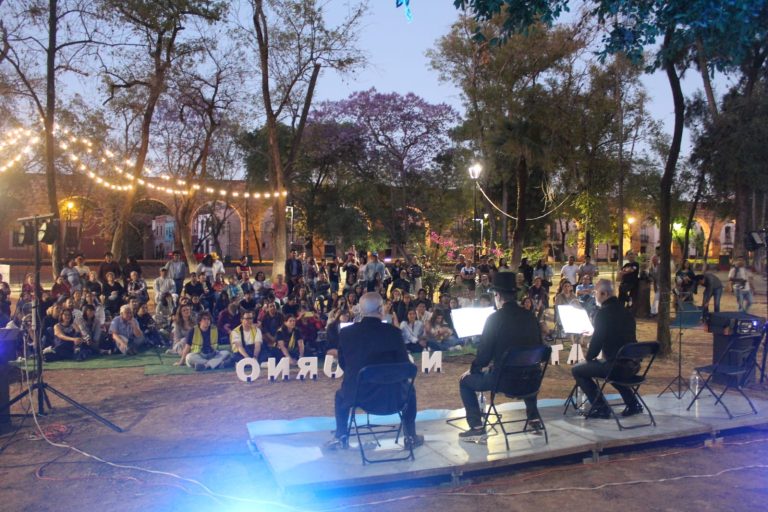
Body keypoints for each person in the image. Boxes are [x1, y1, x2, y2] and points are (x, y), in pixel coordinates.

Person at [325, 292, 422, 451]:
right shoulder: (394, 332)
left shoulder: (346, 333)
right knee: (411, 391)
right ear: (380, 309)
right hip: (393, 395)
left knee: (339, 397)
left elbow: (344, 364)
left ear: (360, 311)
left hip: (358, 395)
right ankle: (410, 436)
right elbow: (404, 365)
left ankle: (341, 437)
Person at [458, 272, 543, 442]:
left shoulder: (494, 319)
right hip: (532, 382)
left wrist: (473, 370)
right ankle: (533, 418)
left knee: (464, 382)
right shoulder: (530, 316)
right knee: (528, 367)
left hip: (505, 381)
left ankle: (476, 427)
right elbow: (538, 347)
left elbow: (484, 355)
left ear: (497, 296)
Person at [571, 279, 641, 419]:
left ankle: (601, 408)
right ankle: (633, 404)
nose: (595, 296)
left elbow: (596, 343)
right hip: (633, 364)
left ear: (604, 293)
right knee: (613, 370)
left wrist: (588, 359)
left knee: (577, 370)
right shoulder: (625, 311)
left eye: (596, 293)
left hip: (617, 366)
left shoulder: (603, 313)